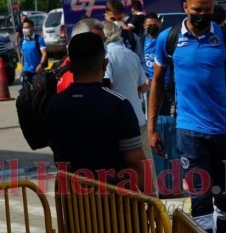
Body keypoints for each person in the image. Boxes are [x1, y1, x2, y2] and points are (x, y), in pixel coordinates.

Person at [148, 0, 226, 233]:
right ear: (185, 6)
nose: (201, 15)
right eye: (196, 9)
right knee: (200, 199)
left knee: (225, 197)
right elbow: (156, 83)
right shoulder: (169, 38)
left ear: (213, 7)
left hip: (224, 132)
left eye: (207, 9)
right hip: (189, 133)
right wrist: (151, 127)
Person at [46, 32, 150, 193]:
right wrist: (150, 199)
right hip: (114, 201)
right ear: (105, 64)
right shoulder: (118, 104)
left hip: (72, 199)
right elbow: (135, 160)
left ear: (70, 65)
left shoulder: (55, 104)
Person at [103, 22, 152, 165]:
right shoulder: (131, 55)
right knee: (146, 165)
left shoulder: (107, 57)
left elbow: (107, 86)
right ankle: (152, 188)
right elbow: (143, 86)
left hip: (118, 121)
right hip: (138, 118)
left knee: (123, 169)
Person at [56, 18, 106, 93]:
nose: (102, 46)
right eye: (97, 41)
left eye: (104, 41)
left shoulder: (73, 65)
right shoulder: (78, 75)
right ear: (80, 40)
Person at [142, 12, 172, 116]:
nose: (152, 28)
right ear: (144, 26)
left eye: (155, 25)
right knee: (151, 114)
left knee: (165, 115)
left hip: (165, 83)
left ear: (159, 25)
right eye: (149, 26)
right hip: (149, 84)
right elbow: (139, 62)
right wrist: (144, 77)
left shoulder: (166, 39)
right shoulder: (141, 41)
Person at [104, 0, 144, 66]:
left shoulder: (132, 37)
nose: (116, 22)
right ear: (105, 16)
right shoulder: (99, 36)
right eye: (113, 19)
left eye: (119, 19)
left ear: (123, 17)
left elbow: (141, 62)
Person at [20, 18, 48, 85]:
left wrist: (41, 65)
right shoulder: (22, 41)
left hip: (37, 70)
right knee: (26, 91)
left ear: (32, 28)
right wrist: (22, 67)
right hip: (26, 70)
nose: (24, 29)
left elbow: (44, 53)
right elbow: (23, 55)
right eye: (23, 27)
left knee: (38, 91)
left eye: (26, 27)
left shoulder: (38, 39)